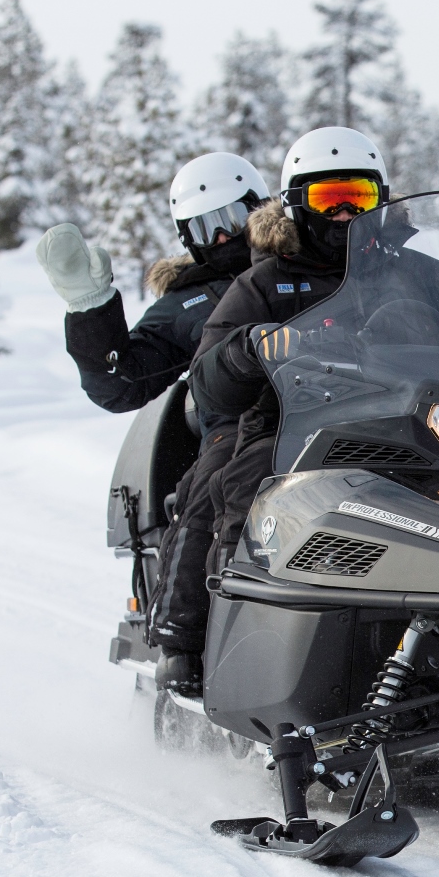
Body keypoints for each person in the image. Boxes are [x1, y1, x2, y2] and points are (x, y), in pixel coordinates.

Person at [35, 153, 268, 688]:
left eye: (234, 218)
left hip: (340, 412)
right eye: (207, 228)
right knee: (213, 488)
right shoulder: (189, 304)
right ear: (188, 237)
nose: (224, 238)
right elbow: (121, 383)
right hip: (238, 425)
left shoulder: (303, 267)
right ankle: (180, 635)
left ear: (261, 210)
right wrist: (90, 307)